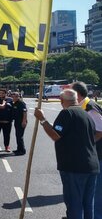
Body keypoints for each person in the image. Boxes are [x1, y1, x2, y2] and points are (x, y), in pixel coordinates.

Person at [34, 89, 99, 219]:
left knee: (74, 203)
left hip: (74, 167)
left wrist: (42, 120)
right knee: (87, 204)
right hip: (91, 166)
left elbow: (55, 135)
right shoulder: (86, 114)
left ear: (61, 100)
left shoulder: (67, 113)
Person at [71, 81, 102, 219]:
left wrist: (87, 144)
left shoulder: (90, 107)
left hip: (98, 155)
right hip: (93, 154)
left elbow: (100, 131)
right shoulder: (82, 106)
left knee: (96, 192)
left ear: (77, 94)